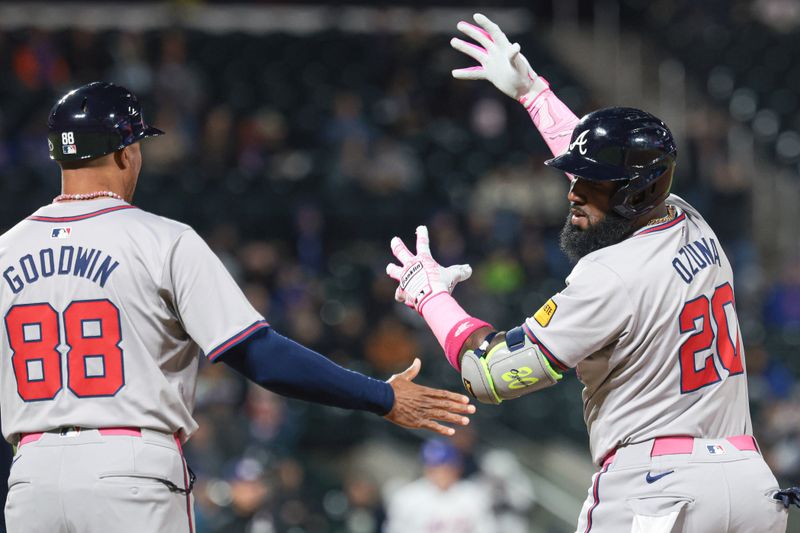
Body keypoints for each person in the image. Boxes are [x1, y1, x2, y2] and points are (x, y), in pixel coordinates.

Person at [0, 81, 475, 533]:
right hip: (129, 469)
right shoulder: (162, 240)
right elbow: (260, 357)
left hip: (31, 476)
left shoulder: (6, 249)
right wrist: (382, 396)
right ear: (128, 152)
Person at [386, 13, 796, 532]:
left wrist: (431, 298)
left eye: (592, 186)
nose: (574, 193)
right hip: (751, 481)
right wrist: (535, 94)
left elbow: (487, 376)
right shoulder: (693, 222)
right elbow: (614, 174)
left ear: (635, 193)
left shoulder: (610, 274)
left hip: (658, 488)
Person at [384, 438, 496, 533]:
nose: (441, 474)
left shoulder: (474, 494)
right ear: (425, 469)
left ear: (457, 468)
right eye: (435, 468)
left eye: (447, 468)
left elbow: (486, 529)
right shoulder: (407, 497)